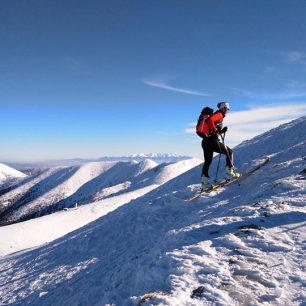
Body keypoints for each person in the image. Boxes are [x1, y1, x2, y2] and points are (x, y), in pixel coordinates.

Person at [201, 101, 240, 189]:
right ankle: (230, 173)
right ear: (223, 108)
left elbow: (212, 128)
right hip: (212, 141)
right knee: (229, 152)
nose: (227, 110)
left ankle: (204, 183)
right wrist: (215, 130)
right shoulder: (219, 114)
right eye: (226, 108)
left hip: (205, 141)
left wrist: (221, 131)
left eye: (228, 109)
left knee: (207, 162)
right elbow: (211, 121)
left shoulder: (216, 115)